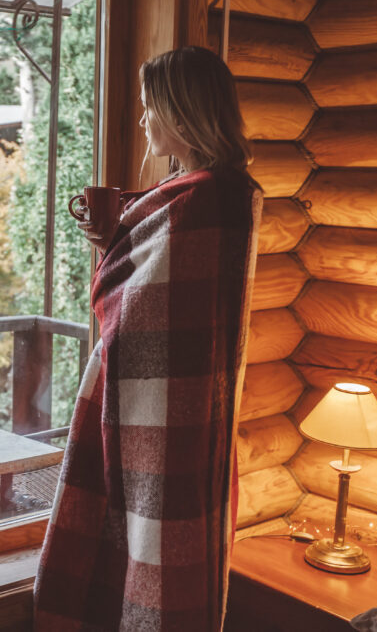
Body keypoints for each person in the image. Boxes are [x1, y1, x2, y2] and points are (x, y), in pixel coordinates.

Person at [34, 46, 263, 631]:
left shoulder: (208, 197)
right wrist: (113, 239)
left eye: (147, 109)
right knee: (130, 528)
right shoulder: (193, 191)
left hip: (173, 405)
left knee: (158, 538)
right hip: (157, 397)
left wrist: (117, 246)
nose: (141, 121)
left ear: (181, 114)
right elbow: (146, 277)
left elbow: (143, 302)